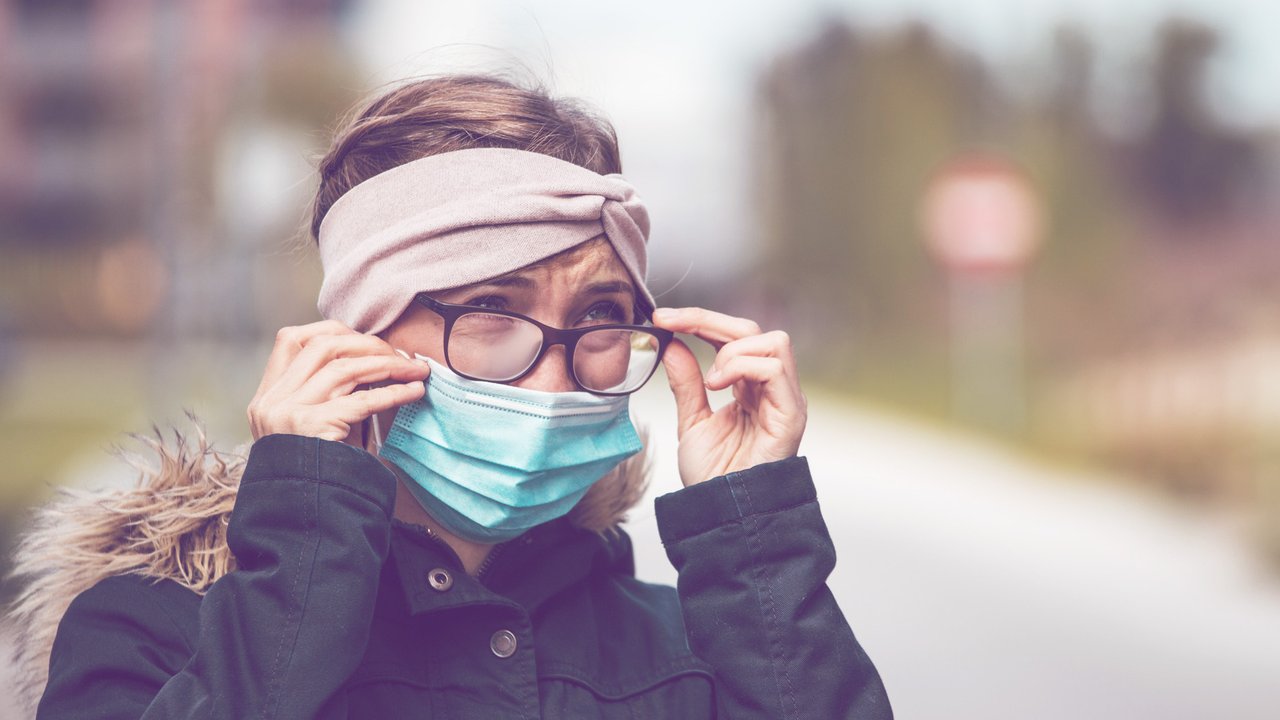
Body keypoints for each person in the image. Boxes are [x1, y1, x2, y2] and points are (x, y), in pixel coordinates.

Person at [12, 74, 891, 718]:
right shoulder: (155, 633)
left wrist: (750, 539)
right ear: (359, 339)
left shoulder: (696, 650)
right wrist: (305, 538)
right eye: (492, 311)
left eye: (599, 316)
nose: (555, 378)